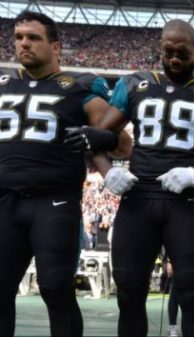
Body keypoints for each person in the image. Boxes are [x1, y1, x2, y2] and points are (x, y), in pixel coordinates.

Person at [92, 19, 194, 336]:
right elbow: (94, 138)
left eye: (182, 52)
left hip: (185, 203)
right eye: (168, 51)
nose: (175, 58)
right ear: (160, 47)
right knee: (129, 292)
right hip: (138, 199)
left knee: (190, 293)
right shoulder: (133, 83)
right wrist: (108, 172)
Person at [0, 11, 130, 336]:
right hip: (4, 202)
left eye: (33, 37)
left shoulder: (78, 87)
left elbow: (124, 145)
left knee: (56, 287)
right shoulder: (4, 84)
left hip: (53, 202)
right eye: (18, 37)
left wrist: (103, 136)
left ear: (55, 45)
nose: (24, 44)